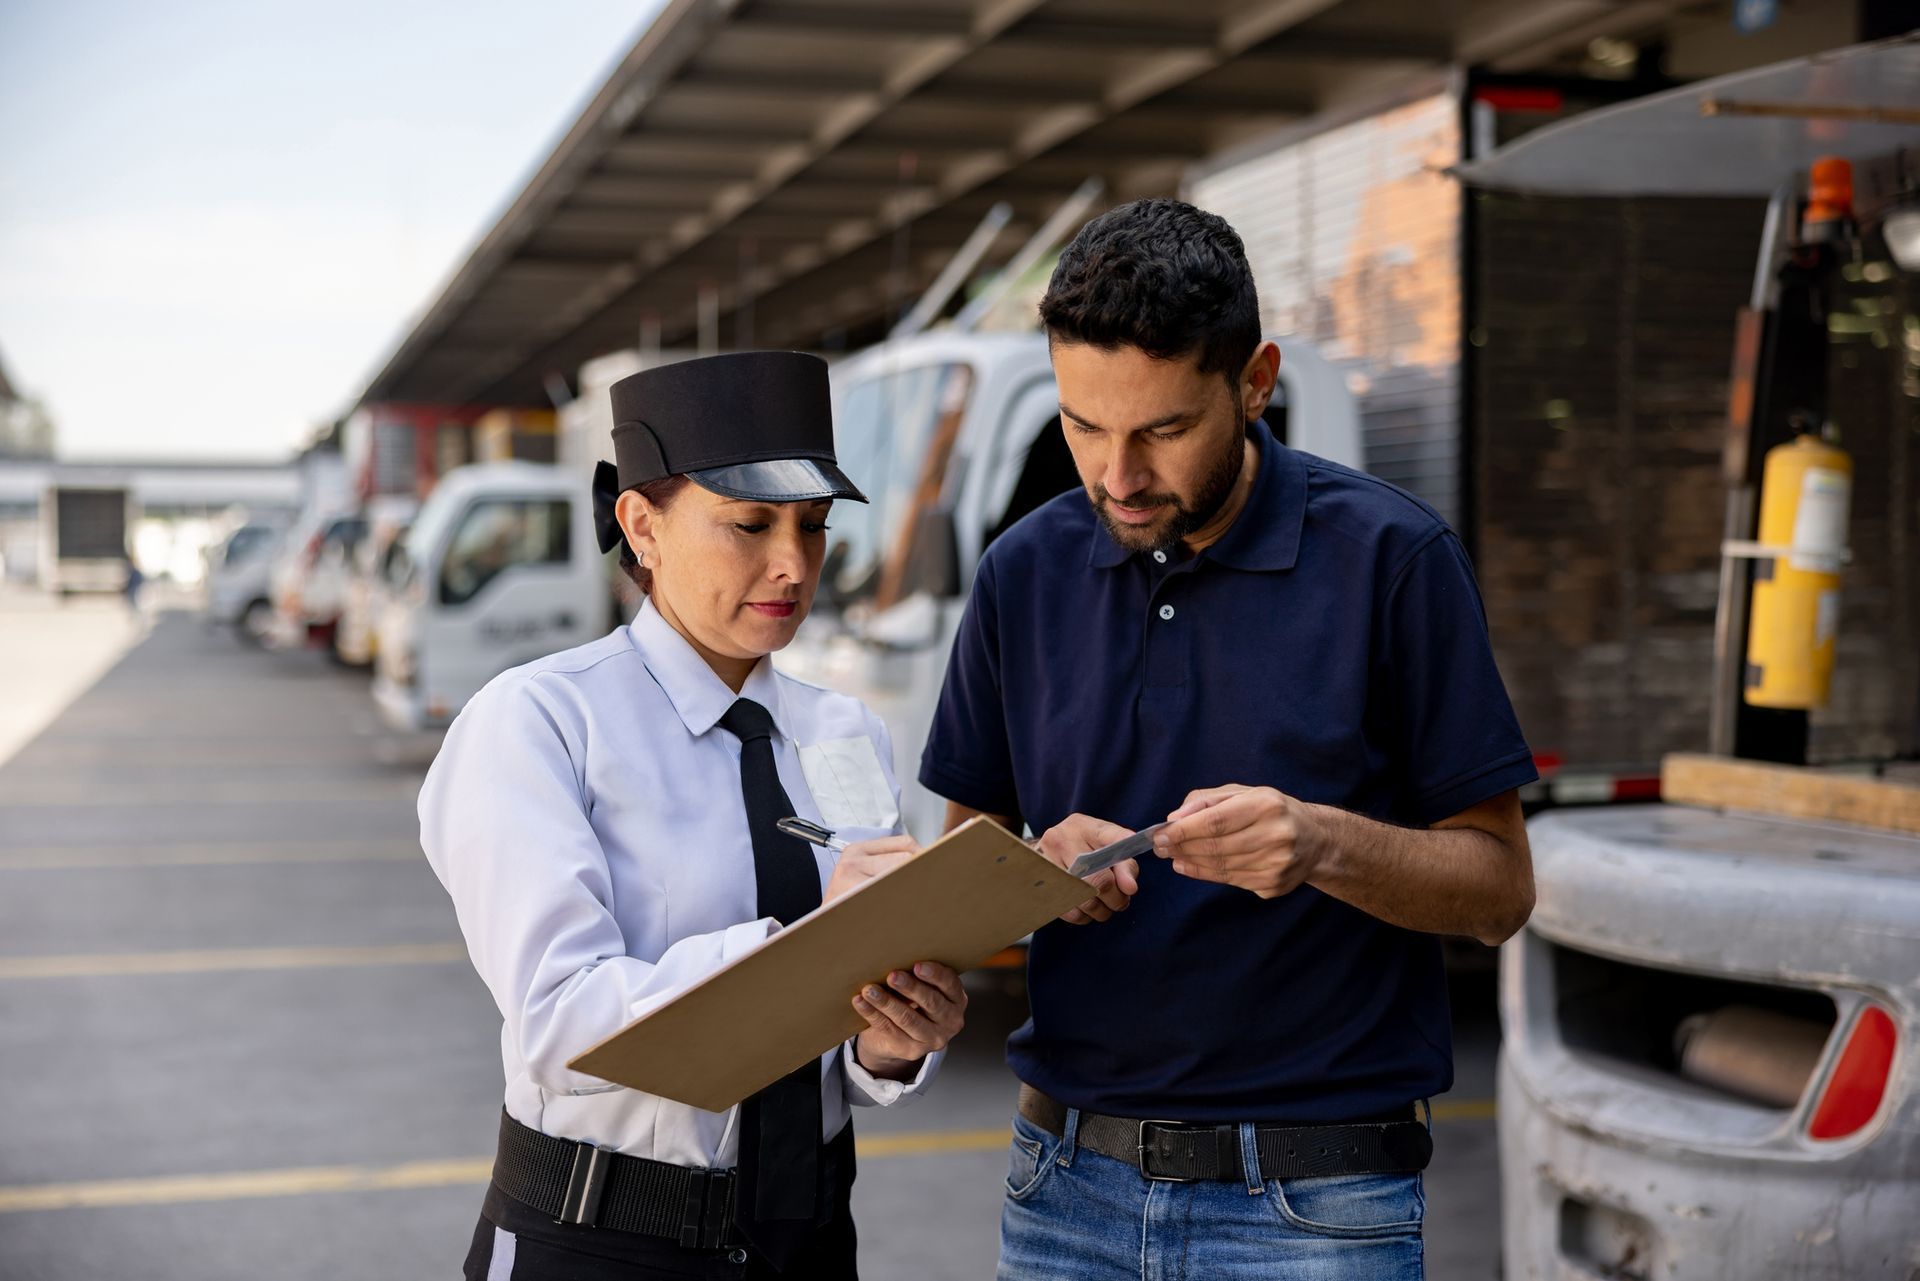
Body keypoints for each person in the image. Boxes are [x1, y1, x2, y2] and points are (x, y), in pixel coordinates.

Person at [918, 199, 1539, 1279]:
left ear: (1256, 382)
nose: (1116, 476)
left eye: (1161, 430)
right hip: (1061, 1190)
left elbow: (1499, 891)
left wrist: (1320, 845)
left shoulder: (1395, 561)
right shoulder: (1021, 572)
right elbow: (960, 864)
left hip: (1316, 1206)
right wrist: (1030, 874)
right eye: (1082, 425)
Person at [420, 351, 968, 1280]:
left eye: (813, 525)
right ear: (642, 524)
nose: (792, 564)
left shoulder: (843, 732)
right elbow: (563, 1021)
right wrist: (808, 949)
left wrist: (889, 1038)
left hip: (809, 1235)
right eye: (748, 524)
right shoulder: (542, 723)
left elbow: (839, 1048)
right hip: (604, 1239)